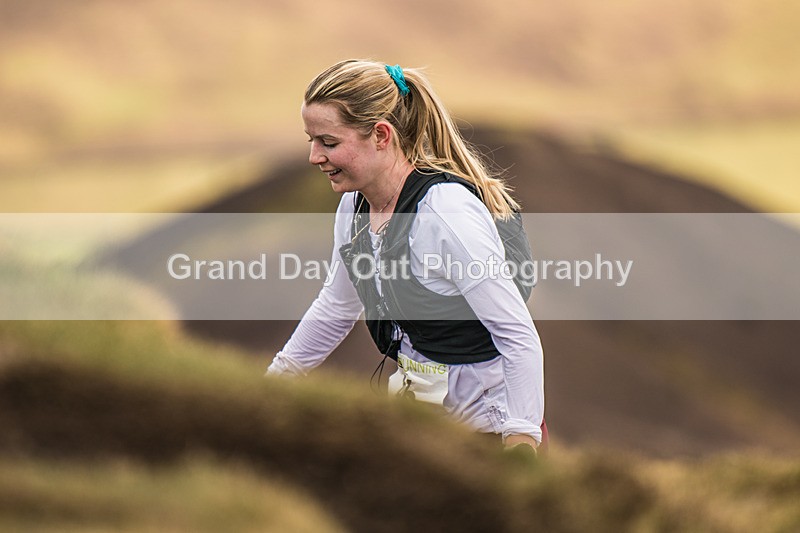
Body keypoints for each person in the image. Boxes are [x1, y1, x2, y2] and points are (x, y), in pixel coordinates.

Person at [267, 59, 545, 452]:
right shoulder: (354, 207)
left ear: (381, 135)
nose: (315, 156)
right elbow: (336, 307)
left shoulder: (445, 215)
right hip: (422, 425)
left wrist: (521, 439)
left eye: (329, 142)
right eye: (310, 140)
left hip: (488, 433)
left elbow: (517, 336)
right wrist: (273, 384)